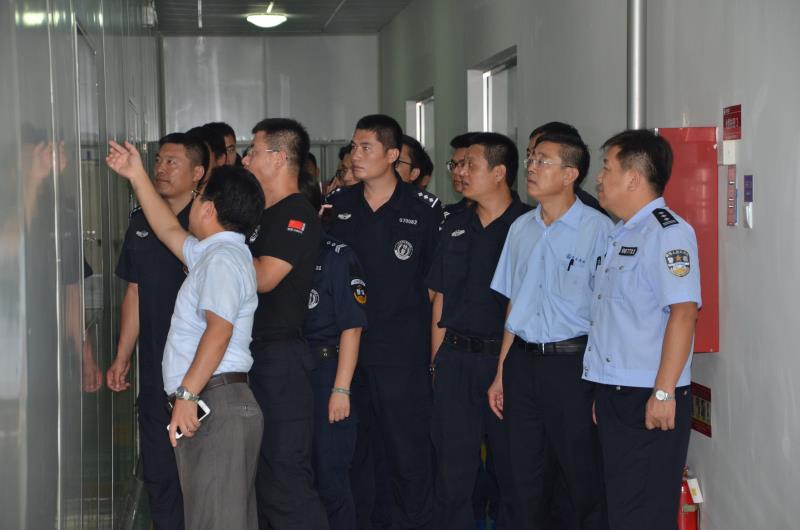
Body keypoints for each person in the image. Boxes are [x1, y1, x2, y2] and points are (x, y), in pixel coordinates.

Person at [107, 140, 265, 529]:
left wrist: (187, 395)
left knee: (215, 520)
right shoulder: (216, 253)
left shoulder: (222, 260)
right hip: (217, 401)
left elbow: (219, 331)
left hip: (214, 400)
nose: (191, 205)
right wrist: (136, 174)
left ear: (208, 209)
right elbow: (166, 229)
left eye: (198, 198)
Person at [488, 129, 612, 530]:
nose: (532, 168)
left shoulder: (598, 230)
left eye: (543, 161)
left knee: (580, 476)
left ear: (570, 174)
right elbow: (515, 304)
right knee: (523, 475)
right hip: (522, 363)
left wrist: (600, 385)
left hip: (572, 366)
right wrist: (501, 372)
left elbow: (606, 312)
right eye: (531, 160)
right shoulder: (520, 228)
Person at [326, 114, 441, 530]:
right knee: (357, 457)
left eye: (366, 148)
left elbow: (435, 290)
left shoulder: (424, 210)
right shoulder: (338, 205)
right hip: (347, 357)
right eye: (354, 147)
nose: (355, 155)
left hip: (402, 357)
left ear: (393, 155)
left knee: (407, 457)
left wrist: (433, 359)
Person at [583, 129, 700, 529]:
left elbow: (684, 313)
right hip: (616, 392)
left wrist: (663, 392)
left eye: (606, 168)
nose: (599, 178)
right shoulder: (621, 234)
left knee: (643, 514)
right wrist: (604, 387)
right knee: (619, 509)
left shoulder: (668, 233)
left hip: (650, 395)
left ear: (633, 178)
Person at [427, 132, 529, 530]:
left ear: (499, 172)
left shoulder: (527, 227)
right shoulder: (453, 226)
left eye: (470, 164)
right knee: (452, 474)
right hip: (455, 358)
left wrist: (504, 369)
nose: (460, 172)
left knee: (512, 472)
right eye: (457, 164)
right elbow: (440, 298)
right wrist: (436, 362)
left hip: (507, 364)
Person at [107, 132, 208, 530]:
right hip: (154, 369)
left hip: (202, 372)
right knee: (159, 472)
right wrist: (122, 355)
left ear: (197, 173)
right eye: (159, 161)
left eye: (172, 162)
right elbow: (135, 291)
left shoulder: (209, 222)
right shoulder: (140, 221)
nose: (161, 169)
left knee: (203, 476)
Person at [241, 118, 328, 530]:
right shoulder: (260, 213)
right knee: (262, 480)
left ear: (278, 158)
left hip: (281, 359)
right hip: (252, 356)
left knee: (284, 477)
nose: (245, 159)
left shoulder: (296, 213)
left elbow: (264, 278)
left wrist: (222, 247)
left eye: (253, 151)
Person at [301, 179, 368, 530]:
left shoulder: (336, 255)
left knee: (331, 478)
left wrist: (340, 389)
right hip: (288, 373)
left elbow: (352, 326)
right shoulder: (268, 253)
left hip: (326, 371)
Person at [528, 122, 607, 216]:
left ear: (569, 175)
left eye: (541, 161)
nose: (530, 168)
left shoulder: (594, 219)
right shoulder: (521, 222)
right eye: (530, 157)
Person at [443, 133, 477, 219]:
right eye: (453, 164)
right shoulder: (445, 214)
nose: (455, 171)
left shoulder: (506, 218)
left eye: (463, 164)